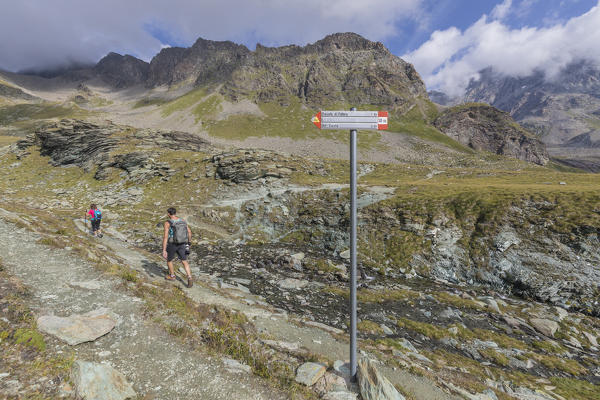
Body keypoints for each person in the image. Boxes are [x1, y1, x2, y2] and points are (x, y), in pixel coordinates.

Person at [162, 207, 193, 288]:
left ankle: (172, 276)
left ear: (169, 213)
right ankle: (189, 277)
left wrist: (164, 249)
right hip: (182, 243)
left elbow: (165, 237)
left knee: (169, 260)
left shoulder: (168, 222)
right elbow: (189, 232)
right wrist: (189, 242)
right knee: (184, 261)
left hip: (172, 244)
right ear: (175, 213)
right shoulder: (182, 221)